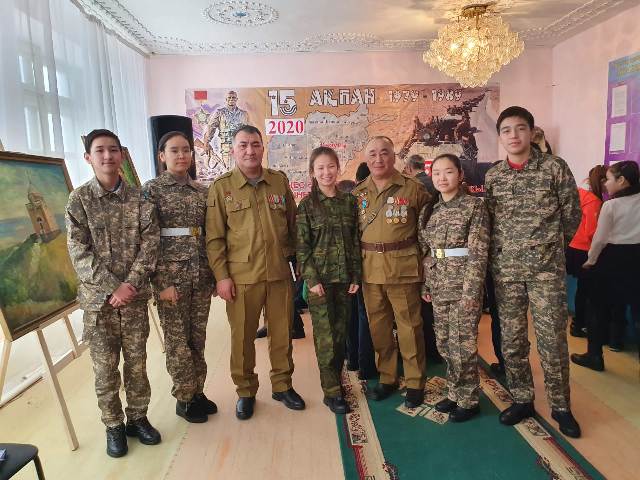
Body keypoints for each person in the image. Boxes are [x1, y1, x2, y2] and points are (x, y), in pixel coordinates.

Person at [484, 106, 582, 438]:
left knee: (552, 340)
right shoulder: (494, 176)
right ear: (500, 137)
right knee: (512, 339)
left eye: (520, 128)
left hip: (546, 272)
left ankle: (561, 406)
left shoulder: (554, 167)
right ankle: (522, 398)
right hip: (506, 271)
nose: (513, 135)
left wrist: (550, 247)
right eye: (506, 130)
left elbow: (572, 214)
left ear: (531, 132)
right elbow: (490, 221)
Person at [66, 129, 161, 458]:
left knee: (137, 364)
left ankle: (138, 418)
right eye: (100, 150)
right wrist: (113, 287)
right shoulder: (79, 200)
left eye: (113, 150)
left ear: (121, 155)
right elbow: (79, 253)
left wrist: (129, 286)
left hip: (133, 301)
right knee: (105, 370)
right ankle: (113, 426)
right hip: (99, 304)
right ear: (88, 158)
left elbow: (150, 246)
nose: (107, 156)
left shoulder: (140, 199)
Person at [206, 125, 304, 420]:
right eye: (243, 145)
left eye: (255, 144)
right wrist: (222, 276)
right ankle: (246, 391)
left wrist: (299, 260)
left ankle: (282, 385)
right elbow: (214, 238)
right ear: (233, 150)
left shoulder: (278, 181)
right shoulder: (222, 187)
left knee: (282, 334)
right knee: (243, 338)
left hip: (278, 273)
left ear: (263, 147)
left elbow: (293, 224)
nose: (250, 151)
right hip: (241, 277)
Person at [142, 131, 217, 424]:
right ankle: (184, 398)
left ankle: (198, 391)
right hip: (171, 280)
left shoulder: (202, 191)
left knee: (197, 338)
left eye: (186, 149)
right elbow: (148, 240)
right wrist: (161, 284)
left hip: (200, 275)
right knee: (177, 342)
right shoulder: (152, 191)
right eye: (174, 150)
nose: (182, 155)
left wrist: (213, 275)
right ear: (162, 156)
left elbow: (210, 235)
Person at [352, 136, 429, 409]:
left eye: (384, 153)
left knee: (409, 328)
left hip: (402, 268)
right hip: (370, 269)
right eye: (372, 154)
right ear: (366, 158)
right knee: (379, 328)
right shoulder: (358, 193)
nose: (378, 159)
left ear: (394, 156)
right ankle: (387, 377)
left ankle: (415, 381)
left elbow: (427, 229)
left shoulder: (414, 188)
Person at [418, 153, 489, 422]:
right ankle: (454, 391)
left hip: (463, 287)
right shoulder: (431, 210)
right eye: (436, 173)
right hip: (438, 285)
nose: (442, 178)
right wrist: (426, 283)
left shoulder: (473, 207)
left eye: (448, 172)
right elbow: (428, 251)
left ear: (460, 175)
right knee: (445, 343)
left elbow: (478, 253)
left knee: (463, 345)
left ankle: (469, 400)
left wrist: (472, 292)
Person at [296, 146, 361, 414]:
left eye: (331, 166)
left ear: (338, 168)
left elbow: (355, 241)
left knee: (340, 334)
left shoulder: (349, 202)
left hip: (344, 280)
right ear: (313, 172)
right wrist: (311, 279)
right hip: (320, 283)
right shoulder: (307, 205)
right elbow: (302, 247)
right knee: (325, 338)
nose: (326, 172)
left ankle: (336, 380)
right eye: (320, 168)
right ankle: (332, 391)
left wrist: (356, 274)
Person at [571, 161, 640, 371]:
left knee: (597, 307)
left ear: (622, 180)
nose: (606, 184)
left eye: (609, 179)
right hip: (636, 259)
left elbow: (599, 239)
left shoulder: (611, 205)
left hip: (613, 258)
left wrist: (590, 261)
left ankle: (594, 356)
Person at [565, 166, 606, 337]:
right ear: (602, 181)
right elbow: (591, 232)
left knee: (582, 289)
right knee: (587, 290)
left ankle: (578, 323)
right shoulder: (594, 201)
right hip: (584, 250)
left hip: (573, 246)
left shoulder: (578, 193)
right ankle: (580, 324)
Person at [202, 90, 249, 170]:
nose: (231, 99)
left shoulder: (244, 114)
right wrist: (206, 143)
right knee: (229, 170)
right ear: (226, 99)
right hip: (227, 147)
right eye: (229, 97)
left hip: (241, 147)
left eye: (233, 97)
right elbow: (211, 128)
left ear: (236, 99)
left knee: (242, 170)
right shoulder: (219, 113)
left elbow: (248, 131)